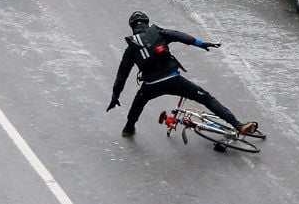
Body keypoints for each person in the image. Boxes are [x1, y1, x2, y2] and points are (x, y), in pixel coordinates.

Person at [107, 10, 257, 138]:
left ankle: (129, 128)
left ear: (132, 27)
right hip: (174, 80)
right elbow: (179, 36)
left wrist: (115, 96)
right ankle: (238, 125)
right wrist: (201, 43)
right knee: (206, 98)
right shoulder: (158, 32)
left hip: (151, 86)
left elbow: (122, 75)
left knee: (138, 103)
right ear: (147, 22)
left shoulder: (131, 48)